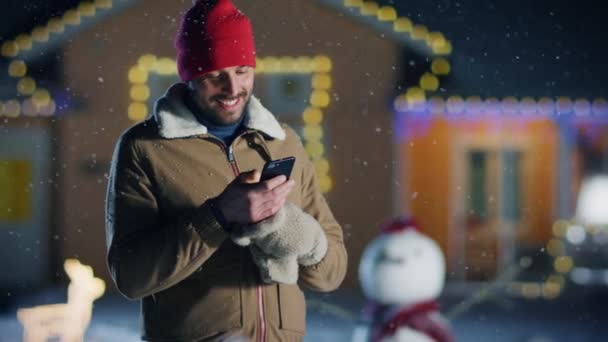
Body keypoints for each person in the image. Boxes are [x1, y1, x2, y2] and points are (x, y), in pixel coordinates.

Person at [104, 0, 347, 341]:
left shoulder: (283, 142)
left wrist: (299, 235)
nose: (232, 89)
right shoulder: (144, 148)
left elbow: (332, 273)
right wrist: (218, 216)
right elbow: (131, 276)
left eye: (242, 71)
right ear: (189, 74)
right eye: (215, 74)